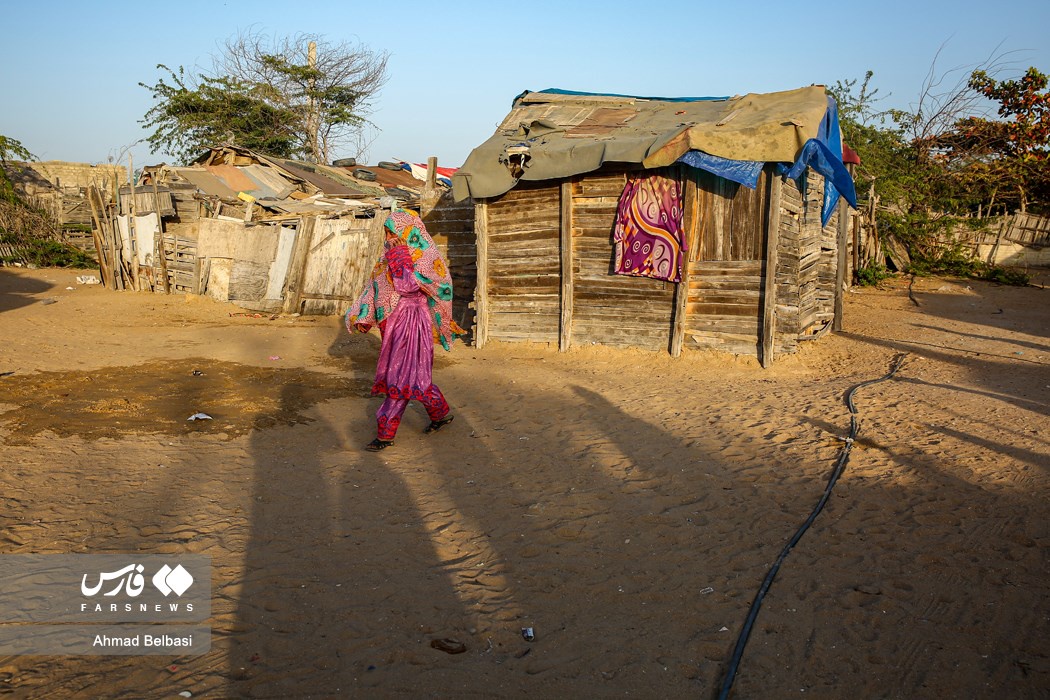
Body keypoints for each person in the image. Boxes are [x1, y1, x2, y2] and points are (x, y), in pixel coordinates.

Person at [347, 208, 465, 451]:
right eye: (387, 232)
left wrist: (400, 254)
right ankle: (440, 414)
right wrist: (364, 314)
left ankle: (385, 433)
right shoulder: (389, 253)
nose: (389, 237)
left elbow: (407, 286)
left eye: (393, 232)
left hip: (411, 322)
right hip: (393, 323)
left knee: (400, 376)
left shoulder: (422, 255)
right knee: (416, 374)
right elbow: (376, 286)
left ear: (406, 231)